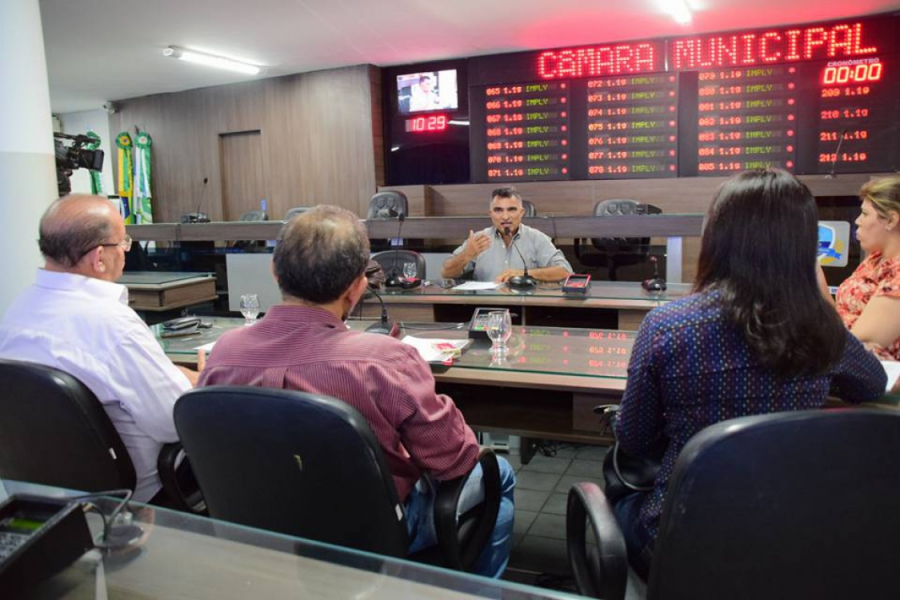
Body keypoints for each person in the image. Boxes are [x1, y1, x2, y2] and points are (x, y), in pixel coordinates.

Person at [197, 205, 515, 578]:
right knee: (500, 472)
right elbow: (455, 460)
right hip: (369, 533)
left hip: (261, 530)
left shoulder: (224, 352)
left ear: (274, 271)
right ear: (358, 286)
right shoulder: (385, 360)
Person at [612, 169, 887, 579]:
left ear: (717, 235)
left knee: (621, 503)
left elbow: (633, 438)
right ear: (802, 245)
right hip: (788, 538)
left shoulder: (668, 324)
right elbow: (871, 384)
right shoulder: (819, 325)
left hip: (681, 539)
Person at [0, 194, 202, 503]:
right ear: (99, 257)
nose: (125, 251)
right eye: (124, 243)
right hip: (139, 498)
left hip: (38, 495)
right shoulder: (113, 324)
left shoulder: (15, 312)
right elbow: (174, 424)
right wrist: (194, 381)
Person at [441, 187, 572, 283]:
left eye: (511, 209)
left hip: (526, 306)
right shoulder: (478, 240)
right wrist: (466, 256)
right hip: (485, 306)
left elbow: (565, 272)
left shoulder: (536, 238)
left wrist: (524, 274)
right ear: (490, 214)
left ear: (521, 213)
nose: (505, 217)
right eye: (498, 210)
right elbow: (446, 273)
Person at [833, 176, 900, 360]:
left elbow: (861, 341)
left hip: (880, 384)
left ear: (891, 220)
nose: (857, 220)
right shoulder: (874, 260)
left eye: (865, 214)